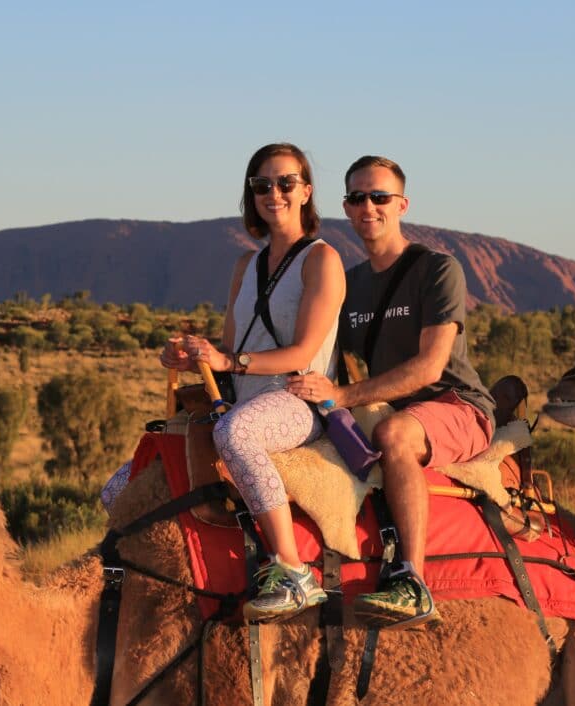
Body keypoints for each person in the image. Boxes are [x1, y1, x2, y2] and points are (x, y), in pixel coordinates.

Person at [287, 155, 496, 629]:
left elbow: (429, 366)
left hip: (454, 404)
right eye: (358, 197)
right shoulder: (351, 283)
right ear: (346, 205)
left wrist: (341, 396)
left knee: (396, 435)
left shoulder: (438, 270)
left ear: (402, 204)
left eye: (380, 196)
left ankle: (412, 581)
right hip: (389, 408)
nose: (369, 206)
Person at [160, 143, 346, 623]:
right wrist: (192, 357)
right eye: (262, 185)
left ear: (306, 191)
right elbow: (228, 350)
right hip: (244, 395)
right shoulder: (247, 265)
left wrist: (230, 359)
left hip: (297, 401)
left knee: (234, 433)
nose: (274, 193)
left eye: (286, 183)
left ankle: (292, 570)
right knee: (130, 475)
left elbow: (303, 353)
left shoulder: (321, 260)